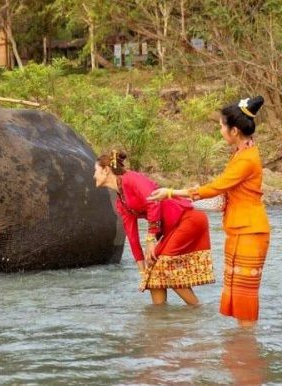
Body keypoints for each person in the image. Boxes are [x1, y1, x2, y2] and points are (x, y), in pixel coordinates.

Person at [149, 96, 270, 326]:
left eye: (222, 126)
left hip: (250, 232)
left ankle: (245, 353)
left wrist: (173, 193)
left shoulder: (246, 159)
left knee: (244, 298)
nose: (220, 130)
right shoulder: (240, 153)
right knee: (236, 295)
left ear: (234, 131)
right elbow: (223, 196)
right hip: (239, 230)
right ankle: (240, 354)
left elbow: (216, 188)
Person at [95, 150, 215, 305]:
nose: (93, 175)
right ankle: (158, 323)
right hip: (173, 228)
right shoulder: (121, 201)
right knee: (151, 275)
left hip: (188, 219)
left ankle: (198, 310)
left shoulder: (131, 179)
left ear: (106, 170)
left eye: (95, 171)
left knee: (164, 267)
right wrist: (141, 267)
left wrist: (150, 239)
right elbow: (131, 235)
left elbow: (154, 202)